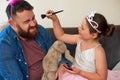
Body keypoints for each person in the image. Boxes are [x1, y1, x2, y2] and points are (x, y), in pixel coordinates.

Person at [0, 0, 71, 80]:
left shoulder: (40, 30)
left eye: (33, 18)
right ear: (13, 23)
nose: (33, 24)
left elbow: (55, 53)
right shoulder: (4, 44)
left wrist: (63, 65)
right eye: (27, 21)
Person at [47, 10, 118, 80]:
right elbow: (61, 36)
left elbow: (102, 78)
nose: (79, 28)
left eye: (82, 28)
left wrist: (80, 72)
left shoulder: (98, 51)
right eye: (81, 25)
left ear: (93, 35)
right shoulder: (79, 39)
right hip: (74, 75)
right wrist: (55, 19)